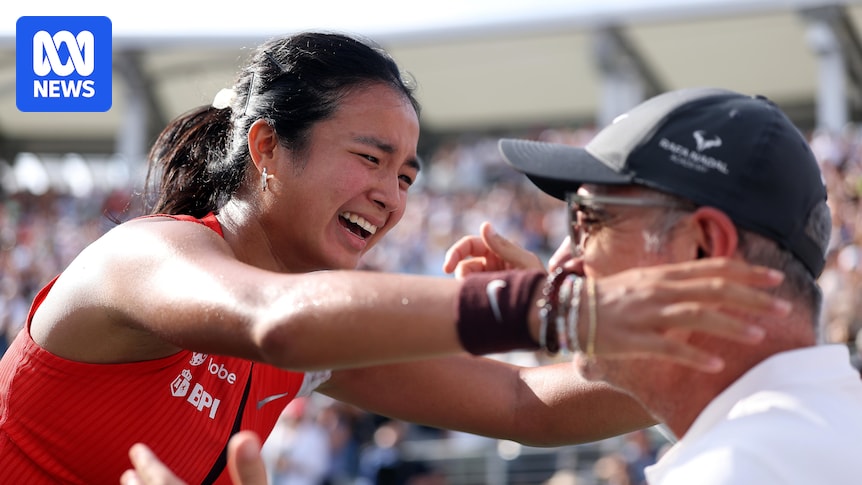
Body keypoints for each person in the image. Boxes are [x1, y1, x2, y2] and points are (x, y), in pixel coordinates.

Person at [0, 30, 789, 484]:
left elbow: (526, 405)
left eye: (407, 175)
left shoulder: (316, 317)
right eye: (370, 158)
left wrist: (718, 357)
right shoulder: (141, 255)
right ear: (267, 148)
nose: (390, 195)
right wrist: (554, 306)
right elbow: (275, 321)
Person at [498, 87, 862, 484]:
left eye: (590, 222)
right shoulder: (816, 426)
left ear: (703, 248)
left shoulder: (738, 468)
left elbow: (520, 402)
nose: (561, 263)